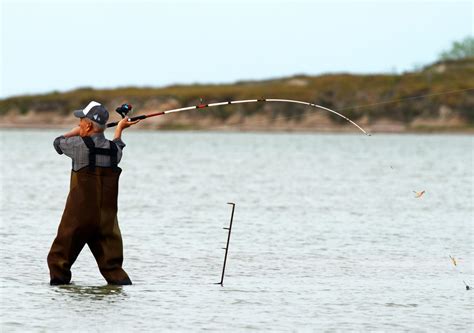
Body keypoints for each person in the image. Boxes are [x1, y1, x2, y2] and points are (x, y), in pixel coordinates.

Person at [47, 101, 139, 285]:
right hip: (106, 220)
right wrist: (120, 128)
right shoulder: (114, 152)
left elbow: (57, 143)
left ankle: (60, 292)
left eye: (81, 121)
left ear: (88, 125)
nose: (79, 124)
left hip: (78, 219)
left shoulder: (78, 145)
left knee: (58, 262)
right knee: (113, 268)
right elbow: (118, 145)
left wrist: (75, 131)